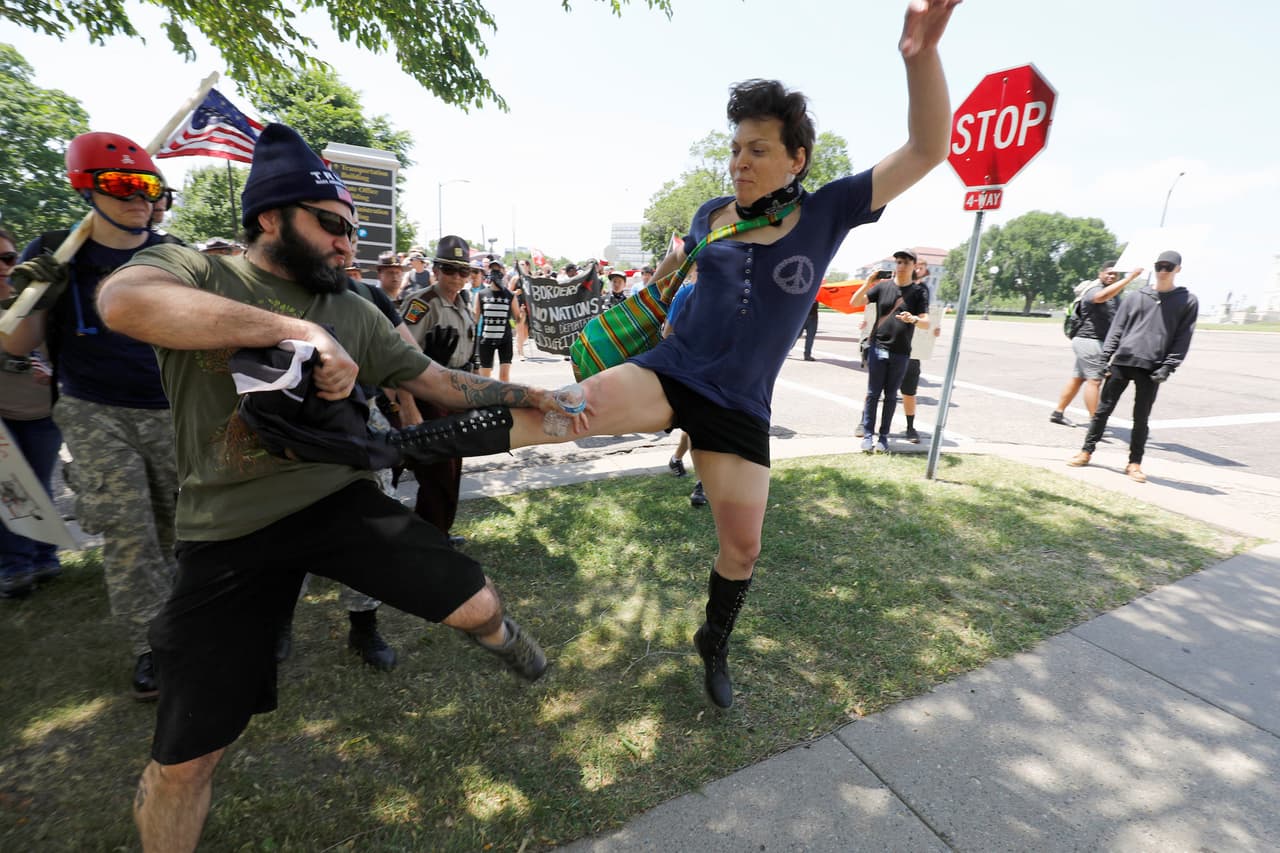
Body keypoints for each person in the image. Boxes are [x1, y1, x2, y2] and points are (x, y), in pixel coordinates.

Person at [95, 123, 577, 851]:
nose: (348, 244)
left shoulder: (355, 306)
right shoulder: (199, 270)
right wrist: (296, 331)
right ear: (270, 216)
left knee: (479, 602)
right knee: (185, 761)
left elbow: (436, 380)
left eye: (352, 230)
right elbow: (124, 303)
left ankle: (502, 637)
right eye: (331, 225)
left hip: (334, 498)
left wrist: (526, 398)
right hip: (226, 527)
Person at [517, 0, 958, 709]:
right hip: (671, 372)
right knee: (551, 413)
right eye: (735, 147)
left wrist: (919, 57)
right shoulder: (711, 214)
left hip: (741, 405)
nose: (740, 160)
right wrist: (669, 268)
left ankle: (712, 641)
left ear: (796, 158)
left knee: (742, 549)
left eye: (757, 149)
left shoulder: (830, 210)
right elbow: (679, 284)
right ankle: (407, 438)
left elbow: (928, 149)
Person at [4, 132, 182, 699]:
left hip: (170, 408)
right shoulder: (55, 252)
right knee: (129, 533)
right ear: (86, 188)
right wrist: (32, 296)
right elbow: (15, 345)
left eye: (149, 186)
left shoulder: (173, 253)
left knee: (183, 530)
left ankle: (192, 627)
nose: (140, 197)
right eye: (123, 184)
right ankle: (150, 647)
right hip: (93, 410)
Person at [1068, 250, 1197, 483]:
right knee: (1102, 411)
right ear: (1155, 267)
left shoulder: (1187, 300)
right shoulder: (1136, 296)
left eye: (1169, 266)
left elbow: (1183, 336)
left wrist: (1169, 366)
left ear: (1178, 269)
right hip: (1123, 360)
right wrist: (1105, 356)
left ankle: (1134, 463)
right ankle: (1086, 451)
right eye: (1160, 265)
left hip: (1152, 366)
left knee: (1141, 417)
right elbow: (1118, 327)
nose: (1163, 270)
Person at [400, 236, 481, 541]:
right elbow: (399, 357)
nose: (457, 277)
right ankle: (427, 538)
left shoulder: (463, 305)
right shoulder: (423, 304)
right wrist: (407, 406)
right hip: (428, 396)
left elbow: (469, 357)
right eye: (449, 269)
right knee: (437, 474)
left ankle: (440, 533)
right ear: (435, 270)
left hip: (456, 394)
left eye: (463, 271)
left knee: (453, 470)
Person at [0, 227, 63, 599]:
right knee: (11, 491)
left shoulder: (38, 298)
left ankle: (44, 557)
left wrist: (54, 374)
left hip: (42, 414)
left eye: (8, 258)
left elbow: (62, 350)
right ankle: (17, 568)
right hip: (4, 414)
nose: (3, 267)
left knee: (38, 486)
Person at [850, 248, 930, 453]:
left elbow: (926, 323)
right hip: (878, 348)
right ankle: (868, 435)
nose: (901, 266)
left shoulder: (919, 292)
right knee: (873, 393)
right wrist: (868, 282)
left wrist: (913, 319)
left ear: (914, 265)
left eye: (905, 262)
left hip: (901, 351)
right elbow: (855, 302)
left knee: (891, 395)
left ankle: (883, 437)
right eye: (898, 262)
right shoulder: (883, 287)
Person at [1050, 261, 1144, 424]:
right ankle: (1096, 422)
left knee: (1078, 378)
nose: (1111, 276)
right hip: (1089, 340)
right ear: (1100, 274)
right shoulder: (1095, 289)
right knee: (1095, 381)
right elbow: (1101, 297)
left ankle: (1058, 413)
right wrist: (1130, 278)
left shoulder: (1115, 296)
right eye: (1108, 273)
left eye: (1115, 274)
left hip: (1094, 342)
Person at [898, 258, 942, 442]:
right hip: (891, 341)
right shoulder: (894, 285)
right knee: (876, 389)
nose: (918, 270)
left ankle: (910, 427)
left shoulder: (923, 290)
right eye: (916, 266)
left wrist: (933, 329)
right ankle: (866, 423)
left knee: (909, 390)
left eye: (922, 268)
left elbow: (927, 315)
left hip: (913, 345)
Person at [475, 260, 517, 382]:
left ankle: (502, 400)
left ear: (503, 272)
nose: (495, 273)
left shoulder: (510, 295)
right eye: (493, 270)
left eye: (498, 270)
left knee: (504, 377)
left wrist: (522, 314)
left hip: (505, 340)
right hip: (486, 340)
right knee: (485, 378)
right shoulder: (481, 294)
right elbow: (475, 319)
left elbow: (517, 317)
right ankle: (485, 400)